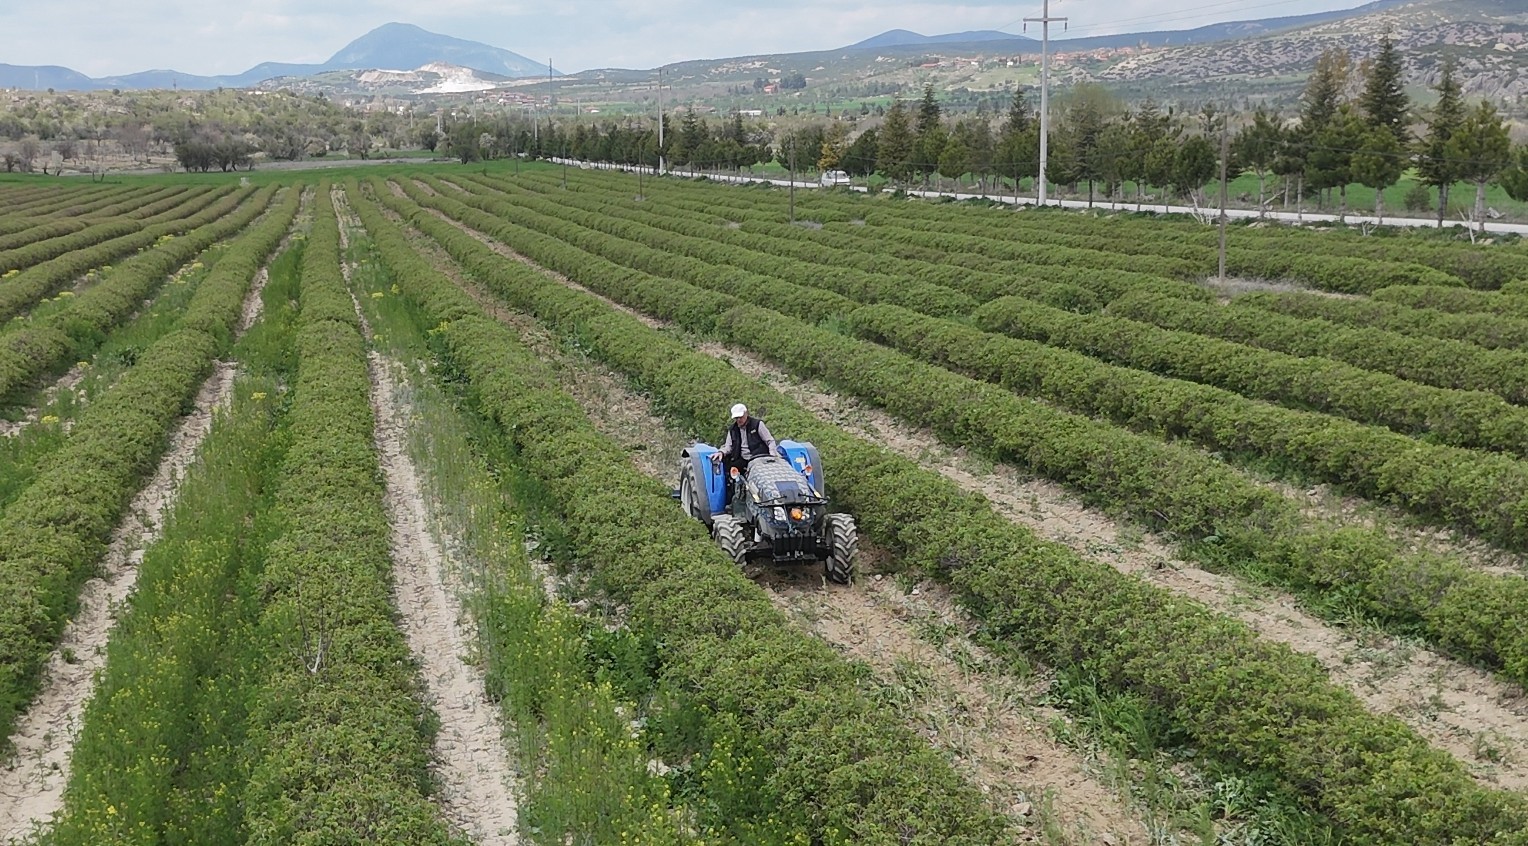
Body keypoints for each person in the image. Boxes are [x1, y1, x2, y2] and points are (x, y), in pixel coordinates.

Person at [711, 403, 779, 502]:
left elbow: (770, 441)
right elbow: (728, 447)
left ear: (746, 414)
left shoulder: (757, 425)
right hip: (743, 459)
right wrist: (721, 452)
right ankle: (735, 498)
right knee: (730, 471)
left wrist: (772, 455)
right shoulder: (733, 430)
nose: (739, 420)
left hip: (759, 458)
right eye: (736, 418)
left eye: (741, 417)